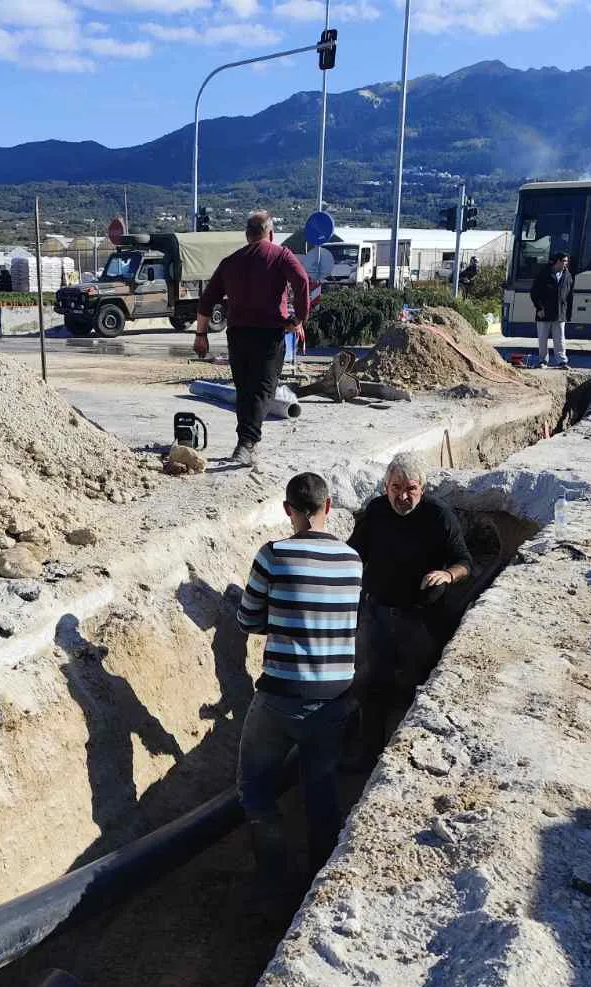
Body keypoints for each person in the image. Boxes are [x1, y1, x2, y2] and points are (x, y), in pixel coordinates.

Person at [234, 471, 363, 895]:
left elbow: (247, 620)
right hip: (336, 697)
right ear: (328, 507)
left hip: (280, 698)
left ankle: (276, 884)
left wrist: (281, 617)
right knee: (321, 790)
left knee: (255, 787)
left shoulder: (273, 554)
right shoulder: (352, 560)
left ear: (287, 509)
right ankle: (318, 887)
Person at [346, 453, 473, 767]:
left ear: (422, 489)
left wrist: (448, 574)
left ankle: (407, 759)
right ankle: (367, 755)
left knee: (416, 687)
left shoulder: (439, 516)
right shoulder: (376, 511)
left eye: (411, 489)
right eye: (396, 488)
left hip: (421, 621)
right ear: (386, 487)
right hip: (378, 615)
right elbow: (352, 554)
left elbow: (464, 562)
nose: (403, 496)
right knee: (371, 685)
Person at [196, 210, 312, 468]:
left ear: (247, 235)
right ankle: (247, 444)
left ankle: (245, 442)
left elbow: (207, 300)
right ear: (270, 233)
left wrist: (201, 335)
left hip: (237, 334)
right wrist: (298, 319)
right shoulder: (281, 255)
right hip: (268, 334)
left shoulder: (230, 261)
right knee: (263, 390)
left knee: (246, 390)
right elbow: (302, 281)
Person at [528, 250, 574, 369]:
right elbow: (534, 293)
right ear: (557, 262)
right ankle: (543, 361)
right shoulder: (544, 274)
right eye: (564, 261)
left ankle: (562, 361)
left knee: (560, 339)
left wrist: (567, 313)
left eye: (567, 261)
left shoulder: (568, 276)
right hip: (544, 312)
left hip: (560, 313)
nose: (566, 264)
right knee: (543, 339)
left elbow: (569, 296)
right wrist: (539, 308)